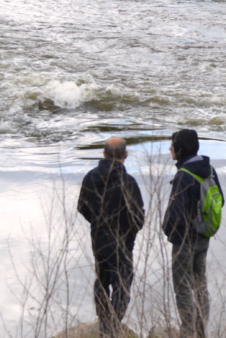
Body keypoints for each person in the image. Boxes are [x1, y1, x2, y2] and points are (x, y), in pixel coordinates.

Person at [78, 136, 145, 338]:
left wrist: (97, 222)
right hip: (123, 243)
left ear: (104, 154)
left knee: (102, 280)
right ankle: (112, 328)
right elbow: (138, 218)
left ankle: (104, 322)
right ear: (126, 154)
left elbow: (82, 207)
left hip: (99, 239)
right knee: (122, 287)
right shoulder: (128, 182)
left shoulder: (90, 178)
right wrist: (129, 231)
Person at [163, 129, 224, 338]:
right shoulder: (209, 170)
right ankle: (200, 330)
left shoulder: (183, 175)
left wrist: (168, 232)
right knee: (200, 285)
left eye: (173, 145)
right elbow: (220, 201)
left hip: (184, 241)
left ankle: (188, 332)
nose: (170, 148)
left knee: (183, 288)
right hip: (204, 237)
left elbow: (175, 216)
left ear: (181, 148)